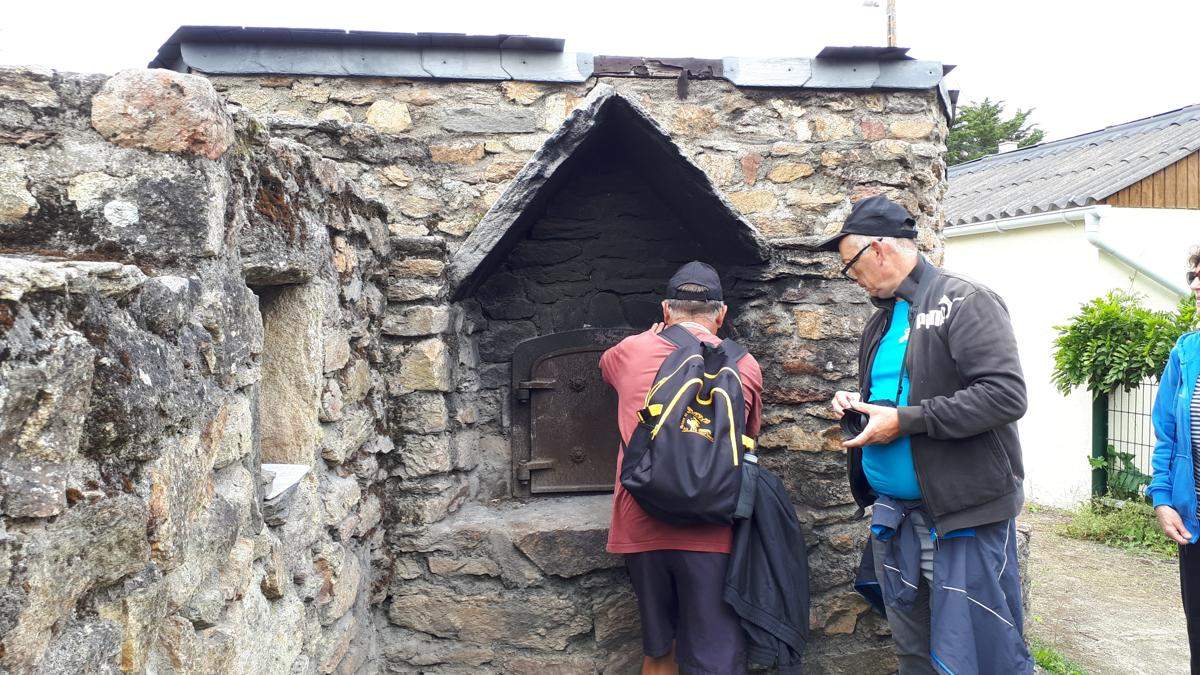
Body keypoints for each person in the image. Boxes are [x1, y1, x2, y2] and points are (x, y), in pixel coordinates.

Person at [815, 196, 1032, 674]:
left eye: (850, 266)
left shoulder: (966, 300)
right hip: (897, 516)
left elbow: (1004, 396)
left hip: (960, 517)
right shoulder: (881, 319)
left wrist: (905, 421)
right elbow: (901, 393)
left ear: (880, 250)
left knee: (977, 653)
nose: (851, 278)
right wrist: (857, 402)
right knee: (914, 649)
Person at [600, 261, 763, 675]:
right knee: (716, 655)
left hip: (641, 520)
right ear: (721, 314)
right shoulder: (745, 367)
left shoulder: (630, 352)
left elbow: (604, 367)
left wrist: (649, 336)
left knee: (658, 651)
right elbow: (747, 440)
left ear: (666, 309)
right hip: (713, 528)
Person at [1149, 248, 1200, 673]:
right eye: (1194, 274)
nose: (1196, 284)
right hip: (1194, 523)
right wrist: (1162, 498)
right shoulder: (1186, 351)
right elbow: (1167, 432)